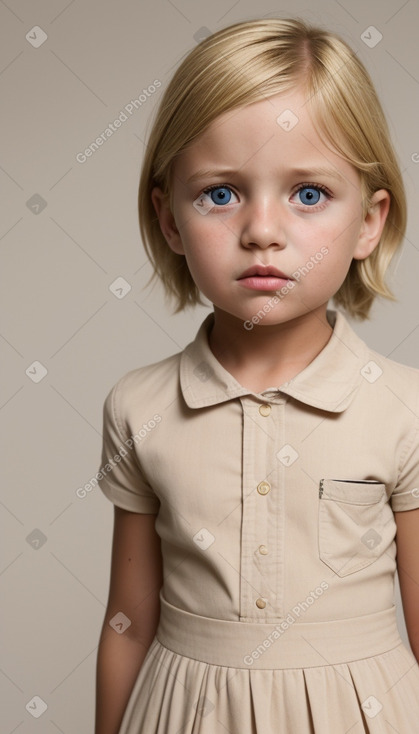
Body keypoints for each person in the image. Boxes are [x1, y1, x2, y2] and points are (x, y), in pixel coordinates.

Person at [94, 16, 419, 734]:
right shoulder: (138, 406)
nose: (262, 230)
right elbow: (126, 623)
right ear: (170, 220)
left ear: (369, 222)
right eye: (220, 193)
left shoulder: (404, 410)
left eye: (307, 194)